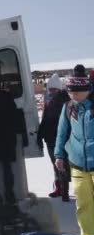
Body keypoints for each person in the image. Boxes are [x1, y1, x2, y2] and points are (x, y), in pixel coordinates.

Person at [55, 65, 94, 235]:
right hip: (77, 163)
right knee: (84, 205)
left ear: (86, 89)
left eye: (76, 93)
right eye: (70, 92)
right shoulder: (69, 107)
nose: (73, 96)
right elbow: (62, 132)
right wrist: (59, 155)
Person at [37, 73, 71, 201]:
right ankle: (59, 188)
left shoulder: (65, 101)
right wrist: (40, 136)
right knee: (56, 164)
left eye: (54, 89)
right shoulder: (49, 101)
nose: (51, 91)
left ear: (59, 88)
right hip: (50, 138)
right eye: (50, 89)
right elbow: (45, 119)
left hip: (62, 138)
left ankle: (64, 190)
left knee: (62, 164)